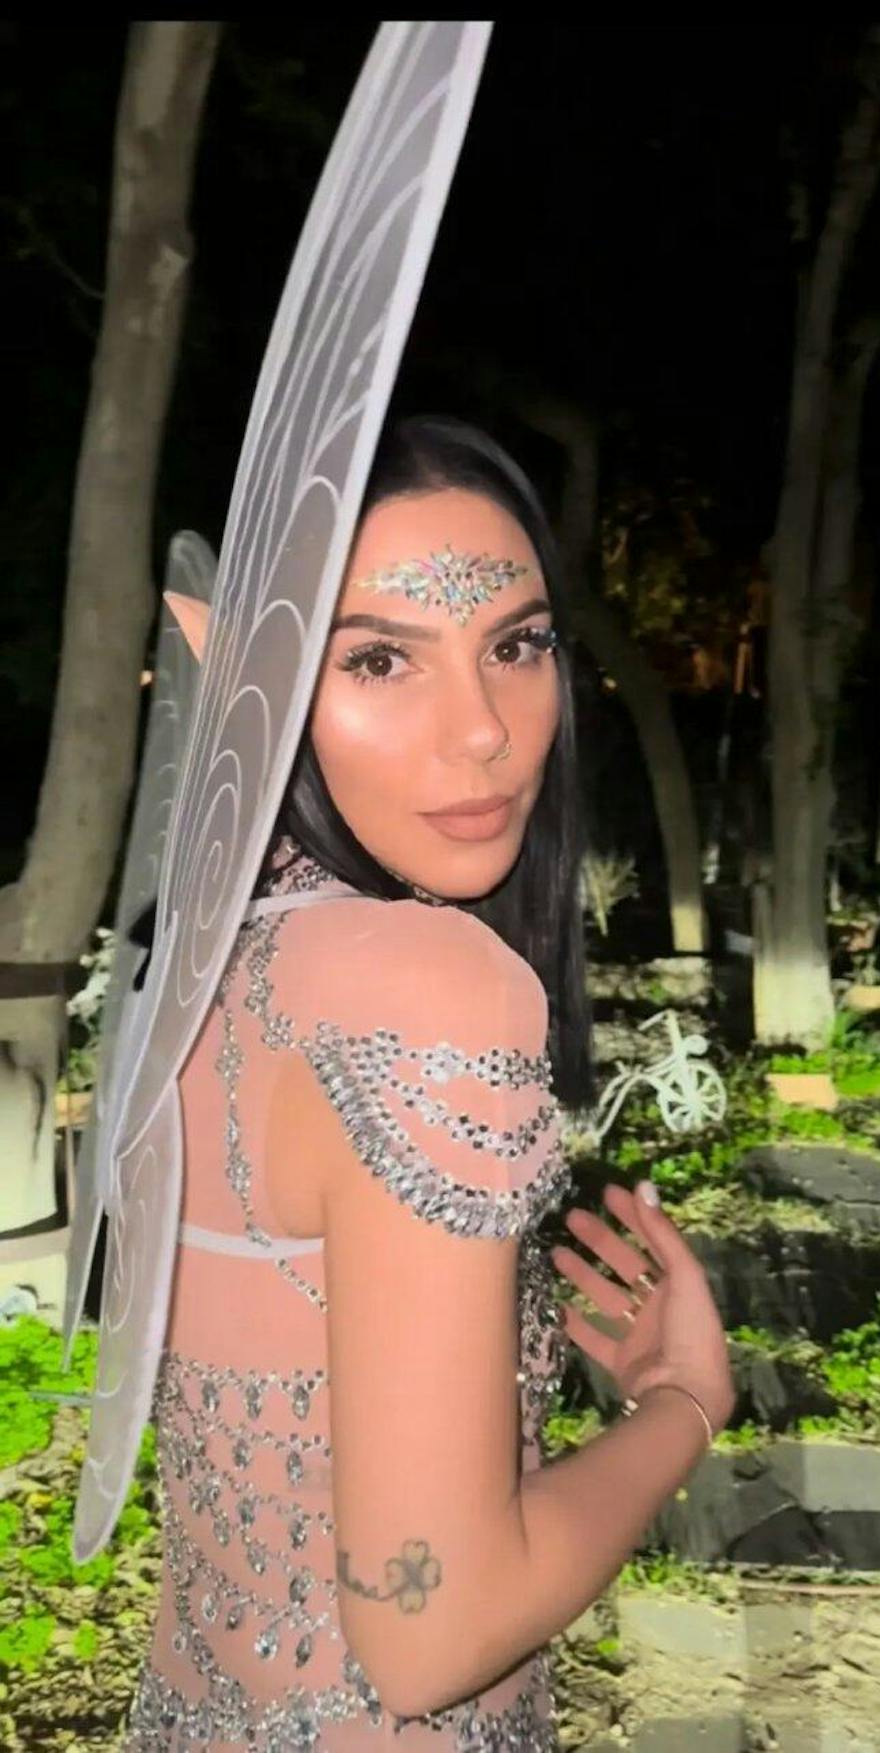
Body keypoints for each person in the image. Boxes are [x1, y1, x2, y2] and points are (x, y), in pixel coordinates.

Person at [120, 415, 736, 1750]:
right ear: (247, 670)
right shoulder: (422, 981)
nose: (485, 731)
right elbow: (435, 1632)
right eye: (379, 659)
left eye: (516, 644)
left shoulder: (203, 961)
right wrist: (685, 1400)